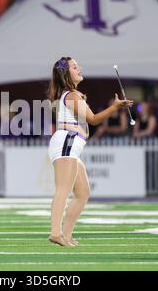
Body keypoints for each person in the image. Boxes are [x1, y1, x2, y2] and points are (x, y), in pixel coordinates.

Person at [47, 57, 133, 246]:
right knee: (64, 188)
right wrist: (115, 107)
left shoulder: (72, 94)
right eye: (75, 67)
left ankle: (66, 235)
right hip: (67, 142)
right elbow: (93, 119)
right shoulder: (71, 95)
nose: (80, 69)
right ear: (66, 74)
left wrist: (115, 107)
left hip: (72, 144)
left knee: (83, 192)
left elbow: (90, 120)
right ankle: (55, 232)